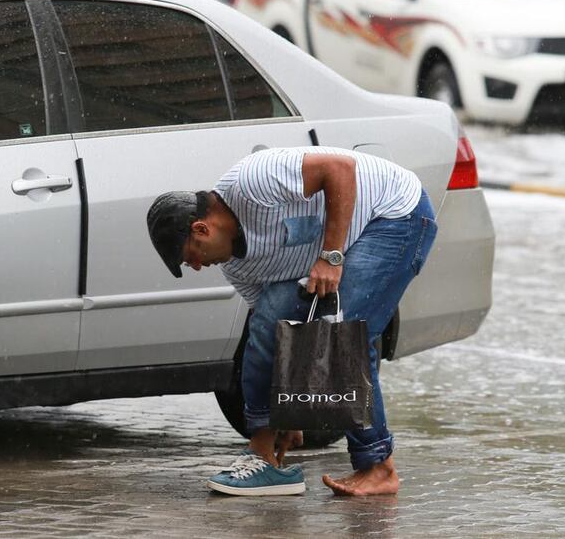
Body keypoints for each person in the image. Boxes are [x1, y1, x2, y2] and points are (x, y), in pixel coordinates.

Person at [146, 146, 437, 496]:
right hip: (354, 233)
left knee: (342, 333)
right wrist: (290, 411)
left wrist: (331, 256)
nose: (195, 267)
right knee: (267, 323)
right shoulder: (237, 268)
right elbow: (281, 337)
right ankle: (263, 455)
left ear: (201, 229)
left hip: (393, 215)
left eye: (190, 257)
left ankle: (378, 466)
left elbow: (339, 168)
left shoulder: (251, 182)